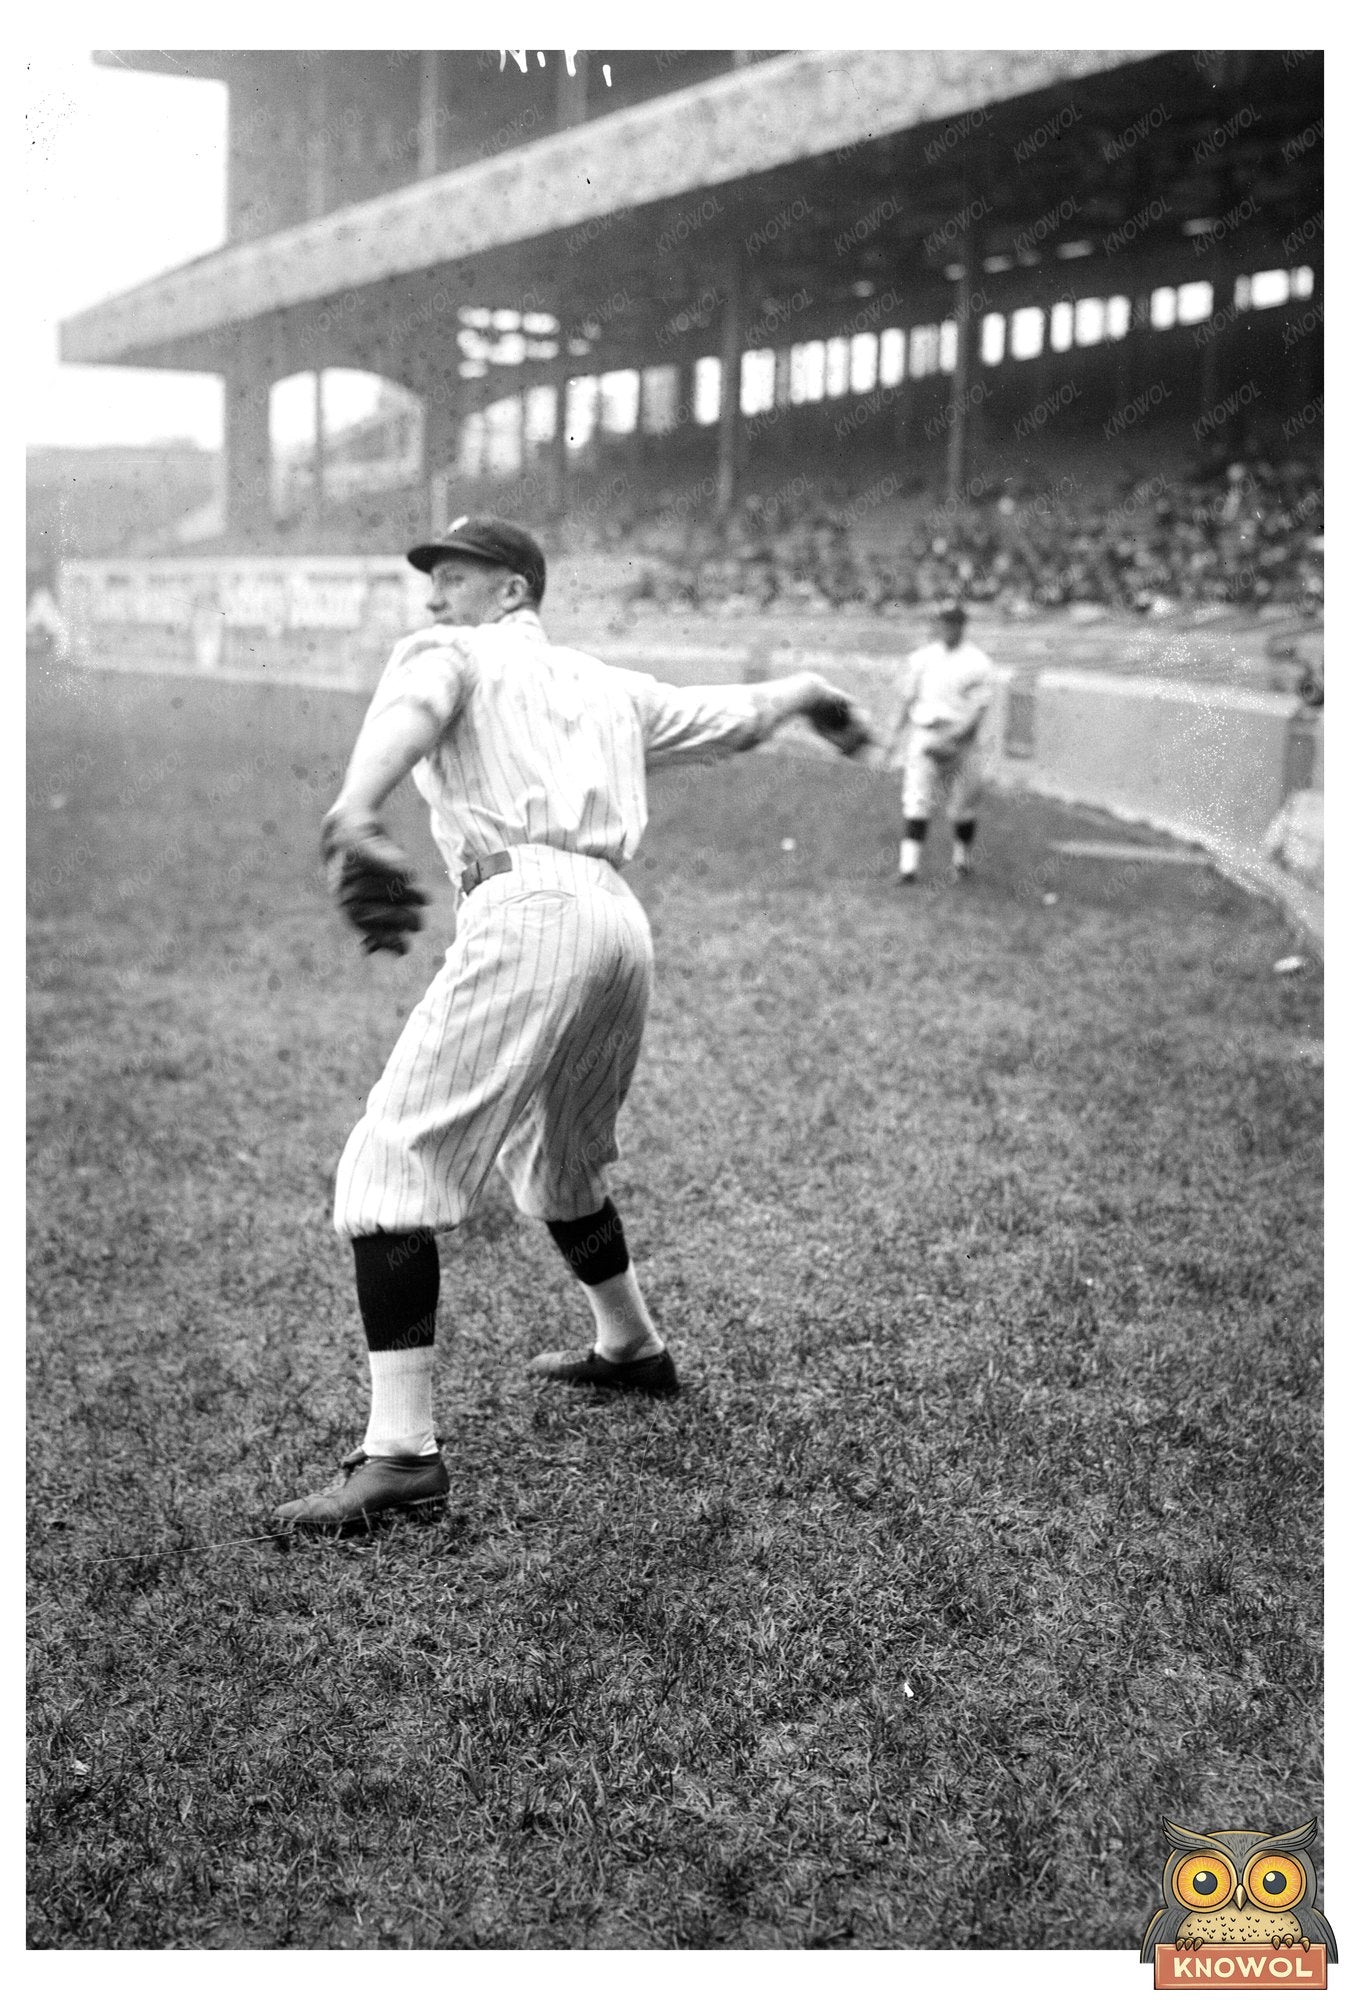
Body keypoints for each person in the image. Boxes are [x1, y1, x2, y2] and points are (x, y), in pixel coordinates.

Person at [276, 516, 873, 1529]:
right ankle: (631, 1346)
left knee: (391, 1168)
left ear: (513, 590)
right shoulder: (612, 687)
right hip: (617, 921)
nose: (435, 597)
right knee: (561, 1162)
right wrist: (811, 692)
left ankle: (400, 1456)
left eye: (454, 577)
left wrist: (354, 808)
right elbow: (735, 717)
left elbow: (415, 704)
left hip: (526, 906)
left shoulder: (453, 651)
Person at [887, 600, 995, 884]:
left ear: (962, 625)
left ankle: (962, 861)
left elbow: (978, 710)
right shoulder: (922, 658)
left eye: (953, 622)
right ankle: (908, 869)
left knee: (963, 805)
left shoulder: (978, 662)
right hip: (925, 733)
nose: (947, 627)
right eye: (943, 621)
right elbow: (907, 699)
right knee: (916, 800)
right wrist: (893, 736)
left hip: (962, 740)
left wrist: (954, 738)